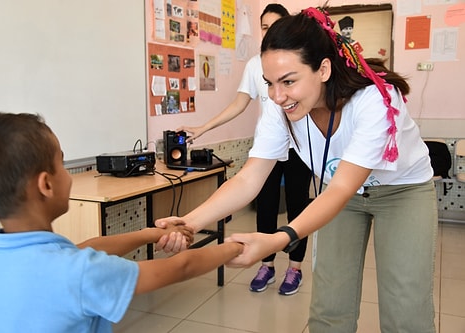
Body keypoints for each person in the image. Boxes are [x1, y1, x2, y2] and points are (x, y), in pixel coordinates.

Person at [157, 6, 437, 333]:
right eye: (270, 83)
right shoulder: (282, 109)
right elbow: (250, 178)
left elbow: (342, 188)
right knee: (329, 306)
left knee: (405, 310)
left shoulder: (374, 100)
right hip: (339, 196)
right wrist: (189, 222)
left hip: (401, 192)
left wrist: (279, 238)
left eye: (289, 81)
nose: (277, 96)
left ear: (323, 69)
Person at [0, 112, 243, 333]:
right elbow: (181, 266)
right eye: (62, 164)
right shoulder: (78, 273)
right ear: (46, 184)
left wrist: (148, 234)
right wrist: (234, 247)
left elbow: (87, 248)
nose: (69, 175)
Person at [178, 3, 311, 296]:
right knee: (264, 208)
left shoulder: (303, 65)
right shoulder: (255, 67)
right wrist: (203, 128)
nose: (278, 93)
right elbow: (239, 104)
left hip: (300, 148)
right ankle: (267, 263)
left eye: (275, 26)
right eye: (264, 27)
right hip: (269, 145)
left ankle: (295, 267)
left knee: (298, 207)